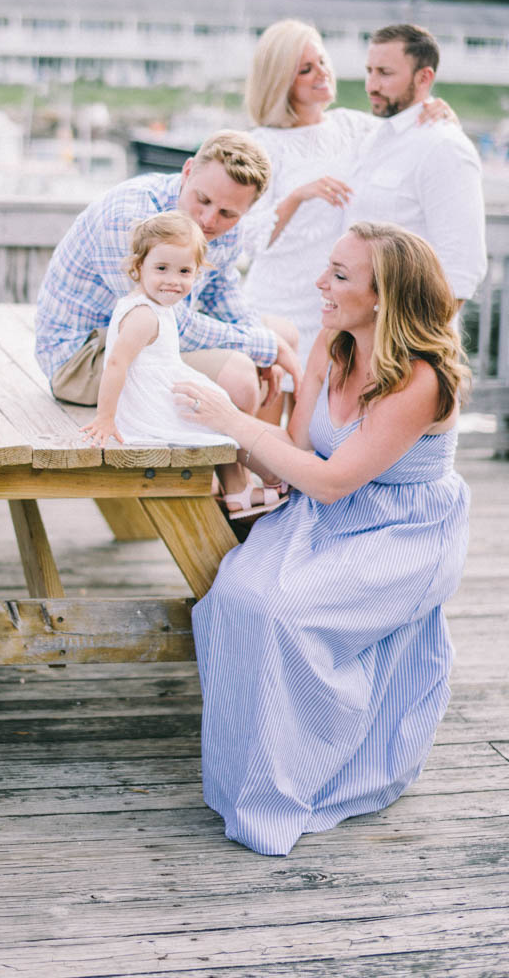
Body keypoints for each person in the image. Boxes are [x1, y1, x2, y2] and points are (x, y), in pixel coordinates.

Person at [173, 222, 470, 855]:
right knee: (231, 597)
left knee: (284, 613)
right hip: (321, 513)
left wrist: (234, 423)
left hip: (400, 529)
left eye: (339, 275)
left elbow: (333, 480)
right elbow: (298, 455)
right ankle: (247, 778)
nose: (320, 283)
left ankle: (309, 772)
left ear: (384, 297)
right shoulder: (331, 344)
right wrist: (244, 433)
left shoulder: (420, 378)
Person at [35, 129, 302, 438]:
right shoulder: (129, 217)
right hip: (83, 360)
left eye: (227, 213)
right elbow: (170, 324)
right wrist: (263, 347)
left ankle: (267, 470)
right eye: (203, 200)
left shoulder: (228, 229)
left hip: (147, 342)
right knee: (242, 376)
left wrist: (264, 345)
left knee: (284, 334)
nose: (209, 220)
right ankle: (235, 479)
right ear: (187, 171)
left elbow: (222, 293)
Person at [241, 20, 461, 366]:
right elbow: (251, 239)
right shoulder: (260, 144)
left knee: (323, 406)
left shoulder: (353, 126)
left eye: (323, 62)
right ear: (281, 80)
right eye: (305, 70)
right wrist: (299, 195)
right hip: (277, 301)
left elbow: (409, 138)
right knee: (274, 399)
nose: (322, 74)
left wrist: (437, 110)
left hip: (336, 301)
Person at [81, 211, 288, 518]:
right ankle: (275, 476)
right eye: (162, 268)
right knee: (220, 421)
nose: (173, 281)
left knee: (216, 409)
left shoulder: (156, 305)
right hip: (148, 407)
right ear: (139, 267)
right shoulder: (144, 315)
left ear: (197, 272)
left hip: (160, 392)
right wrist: (105, 418)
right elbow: (115, 364)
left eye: (184, 271)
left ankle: (239, 493)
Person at [345, 23, 487, 311]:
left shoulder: (445, 147)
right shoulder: (373, 138)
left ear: (424, 77)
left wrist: (409, 344)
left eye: (384, 73)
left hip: (406, 338)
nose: (371, 85)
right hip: (356, 333)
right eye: (369, 71)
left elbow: (461, 269)